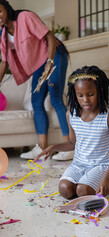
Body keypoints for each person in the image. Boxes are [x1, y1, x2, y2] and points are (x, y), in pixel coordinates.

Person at [0, 0, 74, 161]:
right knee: (36, 101)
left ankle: (69, 146)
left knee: (55, 98)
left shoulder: (25, 17)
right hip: (38, 64)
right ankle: (41, 148)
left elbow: (49, 36)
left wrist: (50, 61)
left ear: (6, 8)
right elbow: (4, 62)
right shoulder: (3, 34)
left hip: (54, 55)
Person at [34, 65, 109, 199]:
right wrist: (53, 147)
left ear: (100, 91)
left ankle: (88, 184)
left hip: (101, 167)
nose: (85, 100)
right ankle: (84, 183)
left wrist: (107, 179)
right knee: (65, 189)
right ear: (75, 94)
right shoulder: (71, 114)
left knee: (83, 190)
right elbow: (72, 143)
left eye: (91, 94)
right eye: (80, 95)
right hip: (79, 165)